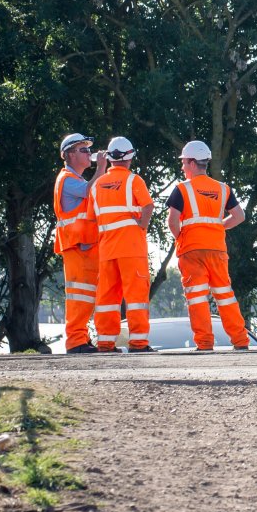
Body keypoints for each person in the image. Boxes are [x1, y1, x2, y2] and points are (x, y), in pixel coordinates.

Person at [166, 140, 250, 351]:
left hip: (192, 250)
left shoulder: (181, 189)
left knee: (196, 297)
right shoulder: (223, 189)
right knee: (225, 294)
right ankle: (240, 341)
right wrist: (217, 227)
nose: (182, 166)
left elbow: (172, 221)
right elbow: (239, 216)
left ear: (193, 163)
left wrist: (182, 238)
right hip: (217, 250)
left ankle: (204, 343)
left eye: (184, 162)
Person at [86, 136, 155, 353]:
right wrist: (141, 225)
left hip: (107, 250)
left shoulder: (96, 185)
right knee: (136, 297)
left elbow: (91, 217)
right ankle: (138, 343)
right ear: (130, 157)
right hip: (131, 248)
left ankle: (105, 342)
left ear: (110, 157)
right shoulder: (134, 180)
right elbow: (148, 206)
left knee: (107, 297)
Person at [54, 133, 108, 354]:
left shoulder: (75, 179)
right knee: (80, 295)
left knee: (85, 296)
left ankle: (81, 338)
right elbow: (91, 191)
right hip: (77, 246)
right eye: (83, 149)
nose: (89, 153)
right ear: (69, 155)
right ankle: (76, 340)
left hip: (83, 245)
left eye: (88, 149)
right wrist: (101, 169)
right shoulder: (67, 179)